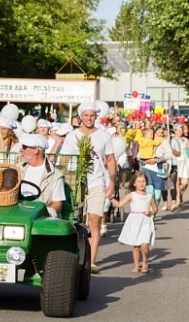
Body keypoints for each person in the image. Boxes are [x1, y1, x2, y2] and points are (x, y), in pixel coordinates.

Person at [60, 102, 116, 273]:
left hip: (97, 181)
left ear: (96, 117)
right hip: (75, 182)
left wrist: (112, 182)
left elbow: (111, 159)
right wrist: (60, 180)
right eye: (86, 115)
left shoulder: (104, 136)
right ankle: (72, 257)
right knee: (73, 220)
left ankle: (91, 261)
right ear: (80, 117)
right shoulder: (72, 136)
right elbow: (64, 160)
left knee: (94, 220)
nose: (89, 118)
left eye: (92, 115)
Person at [111, 172, 157, 273]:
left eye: (143, 181)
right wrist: (111, 198)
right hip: (134, 222)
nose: (141, 184)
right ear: (134, 183)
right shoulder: (132, 195)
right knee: (136, 246)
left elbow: (155, 208)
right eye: (139, 182)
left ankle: (145, 263)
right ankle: (136, 264)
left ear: (146, 182)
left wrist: (151, 212)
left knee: (145, 244)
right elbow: (119, 204)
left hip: (146, 221)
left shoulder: (149, 196)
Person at [17, 134, 65, 218]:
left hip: (41, 217)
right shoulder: (18, 168)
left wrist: (42, 213)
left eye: (24, 147)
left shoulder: (55, 175)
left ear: (36, 150)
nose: (21, 150)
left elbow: (57, 204)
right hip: (19, 213)